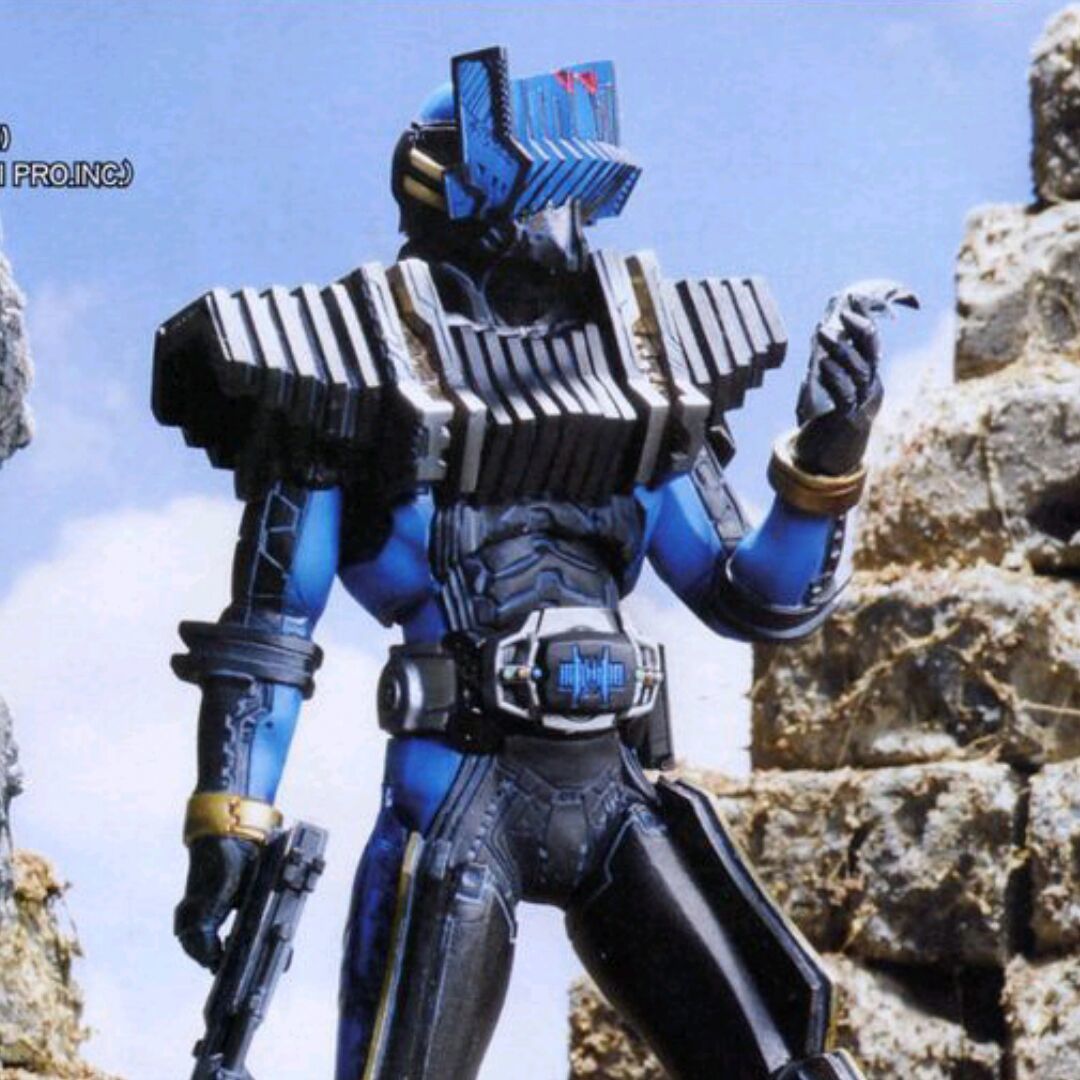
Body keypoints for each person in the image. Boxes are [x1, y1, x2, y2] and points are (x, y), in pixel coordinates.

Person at [155, 46, 913, 1080]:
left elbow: (757, 597)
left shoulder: (640, 377)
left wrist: (829, 451)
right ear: (451, 192)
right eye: (532, 192)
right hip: (458, 799)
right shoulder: (346, 381)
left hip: (617, 795)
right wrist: (231, 824)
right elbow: (272, 635)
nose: (556, 227)